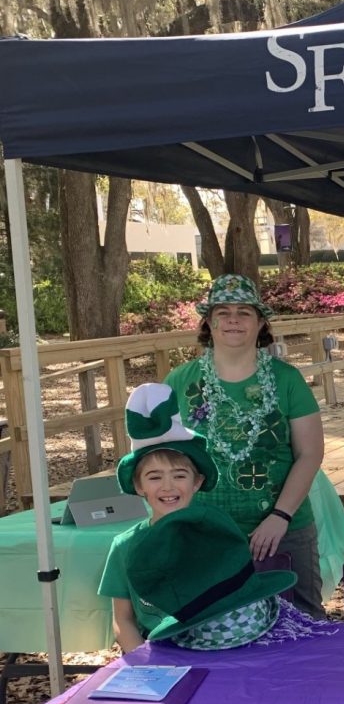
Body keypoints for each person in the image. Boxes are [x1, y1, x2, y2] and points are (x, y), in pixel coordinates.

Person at [165, 273, 327, 617]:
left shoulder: (287, 379)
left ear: (260, 322)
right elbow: (162, 458)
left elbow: (310, 453)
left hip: (283, 529)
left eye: (244, 311)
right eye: (223, 312)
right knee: (211, 625)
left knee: (301, 622)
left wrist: (280, 516)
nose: (233, 320)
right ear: (209, 322)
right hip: (205, 532)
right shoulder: (180, 381)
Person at [99, 383, 295, 652]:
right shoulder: (124, 547)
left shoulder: (214, 532)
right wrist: (146, 663)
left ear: (197, 481)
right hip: (159, 648)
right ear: (139, 486)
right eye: (154, 477)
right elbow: (122, 619)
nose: (167, 487)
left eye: (179, 476)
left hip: (230, 639)